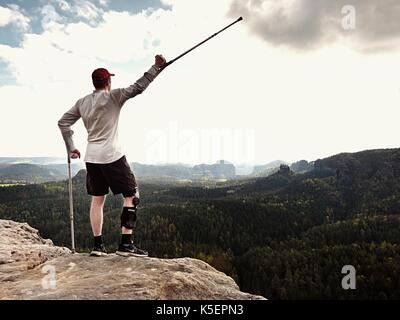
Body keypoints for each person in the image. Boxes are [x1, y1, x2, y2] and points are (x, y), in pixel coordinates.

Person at [58, 54, 166, 257]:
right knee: (132, 195)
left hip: (91, 157)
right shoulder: (114, 96)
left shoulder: (82, 102)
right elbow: (138, 87)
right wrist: (156, 68)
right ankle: (126, 244)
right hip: (112, 156)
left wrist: (71, 146)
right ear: (108, 81)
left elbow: (63, 122)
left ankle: (97, 246)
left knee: (97, 200)